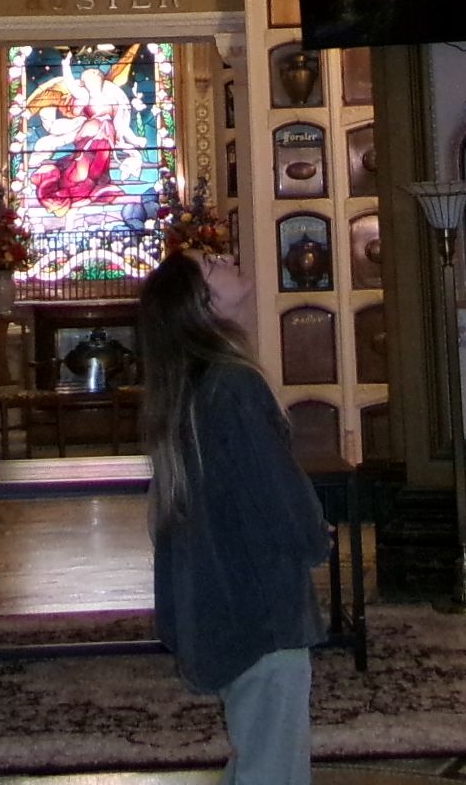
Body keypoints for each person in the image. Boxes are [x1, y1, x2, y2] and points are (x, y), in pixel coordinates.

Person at [137, 251, 332, 785]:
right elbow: (274, 487)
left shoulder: (192, 387)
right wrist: (313, 536)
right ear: (205, 302)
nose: (225, 257)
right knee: (273, 767)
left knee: (259, 755)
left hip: (224, 600)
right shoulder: (233, 384)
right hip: (261, 605)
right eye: (210, 263)